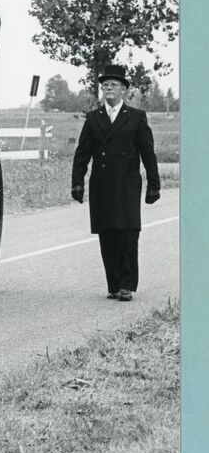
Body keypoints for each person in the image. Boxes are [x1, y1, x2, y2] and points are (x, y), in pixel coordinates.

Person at [71, 64, 161, 301]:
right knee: (107, 233)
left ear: (123, 89)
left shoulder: (136, 117)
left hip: (127, 184)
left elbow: (148, 153)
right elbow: (82, 153)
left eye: (113, 84)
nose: (108, 88)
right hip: (101, 184)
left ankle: (127, 285)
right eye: (105, 85)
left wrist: (154, 184)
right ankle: (113, 284)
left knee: (128, 233)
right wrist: (77, 183)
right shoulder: (93, 118)